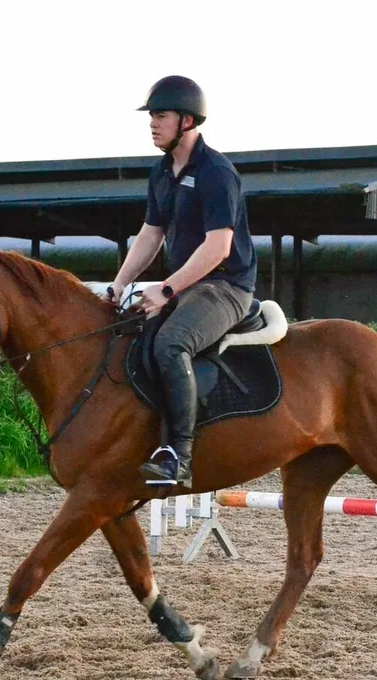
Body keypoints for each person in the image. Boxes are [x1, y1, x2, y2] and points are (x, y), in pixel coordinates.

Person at [108, 75, 258, 489]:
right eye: (152, 116)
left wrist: (166, 289)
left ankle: (180, 456)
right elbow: (151, 234)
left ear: (187, 121)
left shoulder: (216, 173)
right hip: (188, 286)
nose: (152, 124)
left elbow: (218, 248)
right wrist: (119, 286)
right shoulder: (161, 172)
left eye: (160, 116)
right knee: (134, 337)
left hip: (227, 288)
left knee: (171, 342)